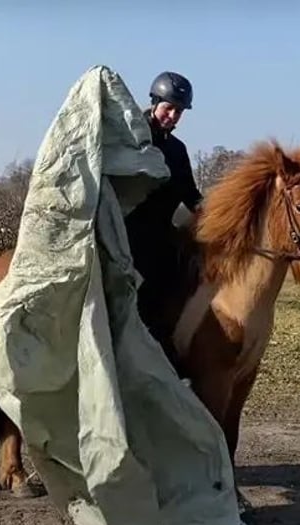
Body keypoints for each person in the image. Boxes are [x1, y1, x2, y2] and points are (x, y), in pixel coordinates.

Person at [123, 71, 203, 361]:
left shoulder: (178, 150)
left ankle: (168, 340)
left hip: (161, 233)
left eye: (179, 111)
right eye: (168, 108)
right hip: (126, 231)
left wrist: (210, 213)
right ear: (154, 102)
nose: (173, 116)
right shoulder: (131, 138)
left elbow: (190, 194)